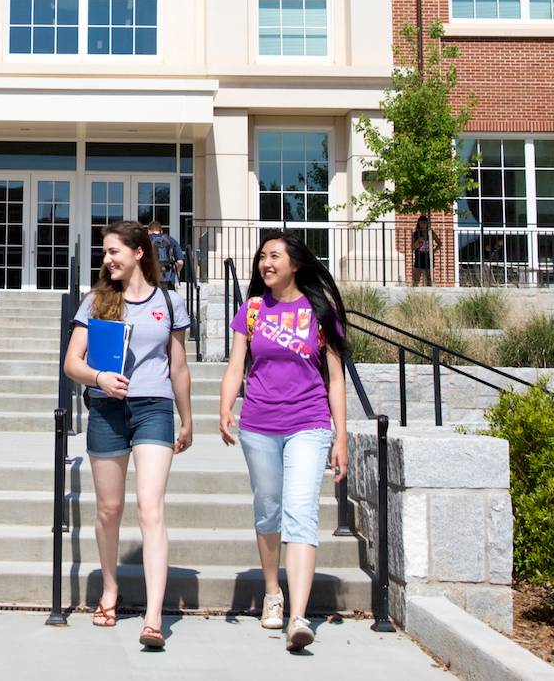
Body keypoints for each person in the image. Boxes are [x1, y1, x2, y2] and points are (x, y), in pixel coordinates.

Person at [218, 231, 351, 653]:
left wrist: (341, 435)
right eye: (261, 257)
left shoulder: (320, 311)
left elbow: (336, 379)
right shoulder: (253, 309)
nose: (265, 263)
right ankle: (272, 592)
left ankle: (298, 615)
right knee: (269, 509)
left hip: (309, 424)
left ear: (295, 263)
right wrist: (225, 408)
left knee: (300, 511)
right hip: (258, 424)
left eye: (274, 255)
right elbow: (236, 363)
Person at [62, 220, 192, 650]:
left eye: (113, 251)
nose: (106, 259)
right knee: (109, 509)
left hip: (154, 408)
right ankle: (111, 589)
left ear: (139, 252)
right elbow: (72, 364)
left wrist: (187, 418)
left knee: (150, 507)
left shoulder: (170, 303)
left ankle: (154, 617)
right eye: (104, 252)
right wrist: (99, 378)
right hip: (106, 409)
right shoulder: (97, 302)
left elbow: (178, 367)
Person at [150, 220, 185, 289]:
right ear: (161, 231)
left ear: (149, 231)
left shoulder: (146, 240)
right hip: (168, 281)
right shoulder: (171, 240)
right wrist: (173, 272)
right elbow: (180, 262)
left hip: (151, 281)